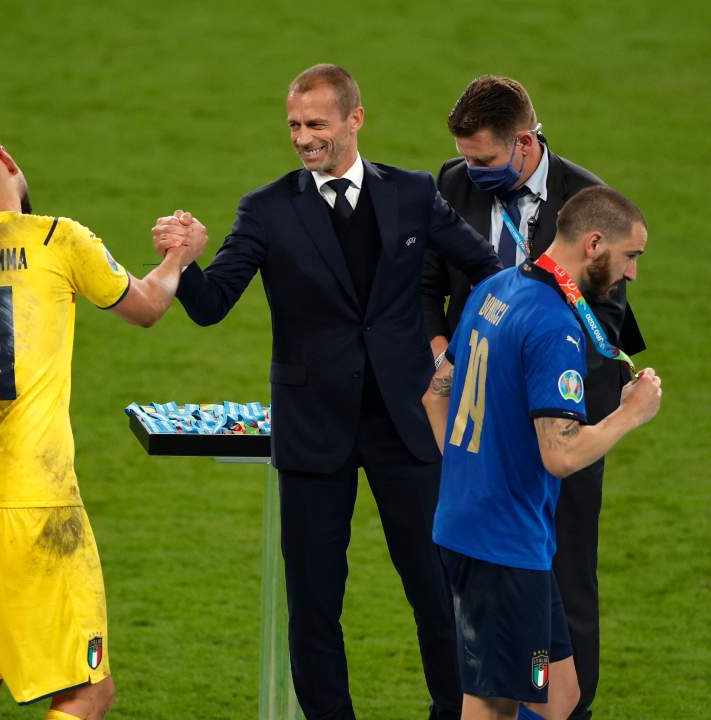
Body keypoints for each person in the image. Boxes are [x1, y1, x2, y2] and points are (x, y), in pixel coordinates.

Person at [153, 64, 501, 720]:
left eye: (316, 124)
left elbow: (484, 269)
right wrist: (184, 261)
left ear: (354, 120)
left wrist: (452, 349)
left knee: (436, 588)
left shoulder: (412, 194)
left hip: (407, 425)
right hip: (314, 430)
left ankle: (455, 712)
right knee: (315, 604)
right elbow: (212, 304)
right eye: (293, 125)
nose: (303, 138)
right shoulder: (267, 208)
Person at [0, 127, 205, 720]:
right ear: (7, 160)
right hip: (36, 507)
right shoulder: (59, 239)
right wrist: (178, 257)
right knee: (88, 691)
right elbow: (147, 307)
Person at [420, 76, 646, 719]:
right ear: (592, 246)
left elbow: (437, 393)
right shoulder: (550, 321)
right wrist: (633, 411)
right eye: (629, 258)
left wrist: (469, 458)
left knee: (560, 694)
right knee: (495, 700)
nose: (632, 275)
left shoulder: (496, 295)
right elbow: (558, 455)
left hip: (488, 516)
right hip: (506, 538)